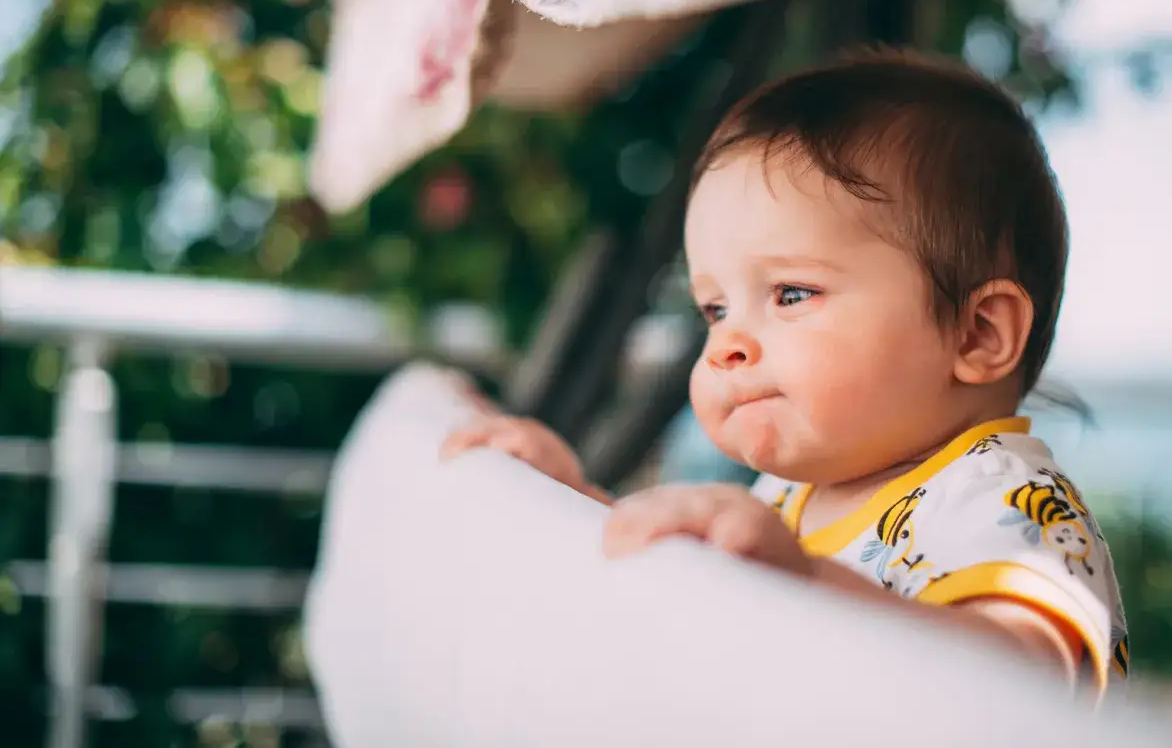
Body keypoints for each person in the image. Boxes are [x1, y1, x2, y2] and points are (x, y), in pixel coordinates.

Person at [441, 49, 1128, 694]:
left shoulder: (1009, 506)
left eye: (791, 294)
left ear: (977, 333)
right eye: (713, 307)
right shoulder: (790, 496)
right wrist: (573, 499)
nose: (725, 345)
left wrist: (803, 584)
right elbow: (692, 578)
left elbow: (1023, 690)